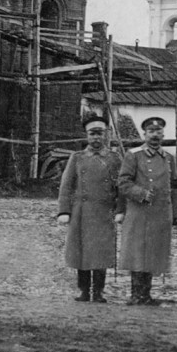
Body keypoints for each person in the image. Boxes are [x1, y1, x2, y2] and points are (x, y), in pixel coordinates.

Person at [56, 115, 125, 303]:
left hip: (104, 212)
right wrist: (64, 211)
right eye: (92, 134)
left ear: (106, 135)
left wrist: (120, 210)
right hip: (81, 212)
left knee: (101, 252)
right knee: (82, 252)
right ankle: (84, 291)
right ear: (86, 135)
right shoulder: (76, 158)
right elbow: (66, 186)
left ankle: (99, 292)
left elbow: (122, 187)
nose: (96, 138)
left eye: (99, 134)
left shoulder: (114, 158)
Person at [117, 117, 177, 306]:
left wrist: (176, 212)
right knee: (138, 251)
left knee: (155, 252)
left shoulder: (168, 158)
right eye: (151, 131)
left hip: (160, 212)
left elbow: (175, 186)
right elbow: (123, 183)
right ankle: (136, 293)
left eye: (159, 131)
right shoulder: (133, 155)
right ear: (144, 134)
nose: (155, 135)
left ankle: (146, 294)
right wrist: (142, 194)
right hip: (139, 211)